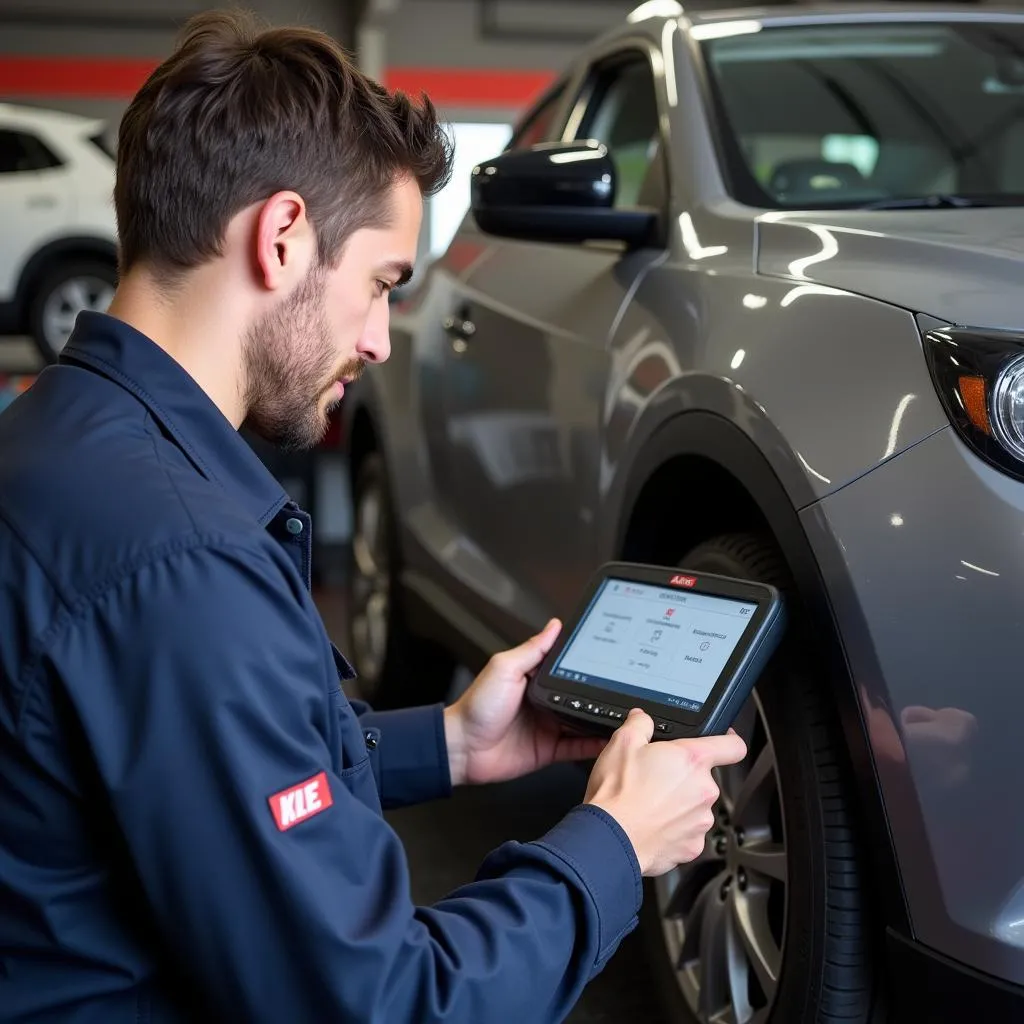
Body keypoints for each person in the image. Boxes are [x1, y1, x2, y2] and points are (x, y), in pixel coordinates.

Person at [0, 11, 748, 1023]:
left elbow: (190, 765)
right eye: (381, 284)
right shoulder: (182, 559)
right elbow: (382, 1002)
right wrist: (612, 842)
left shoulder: (52, 437)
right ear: (281, 237)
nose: (382, 339)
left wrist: (446, 744)